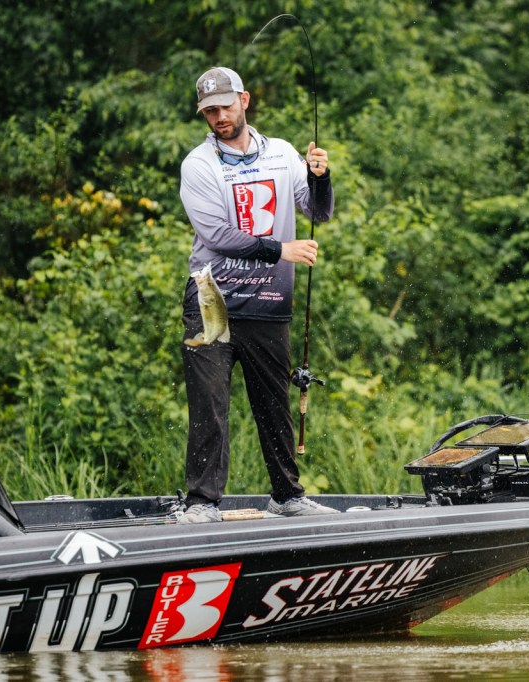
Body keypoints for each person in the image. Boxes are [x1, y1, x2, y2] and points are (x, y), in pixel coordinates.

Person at [177, 66, 339, 523]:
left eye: (225, 107)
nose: (219, 117)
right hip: (213, 300)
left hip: (269, 300)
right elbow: (217, 235)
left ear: (244, 100)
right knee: (209, 404)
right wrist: (280, 249)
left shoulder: (284, 154)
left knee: (274, 403)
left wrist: (321, 177)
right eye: (209, 111)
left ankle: (287, 496)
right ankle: (202, 503)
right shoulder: (198, 164)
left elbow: (319, 212)